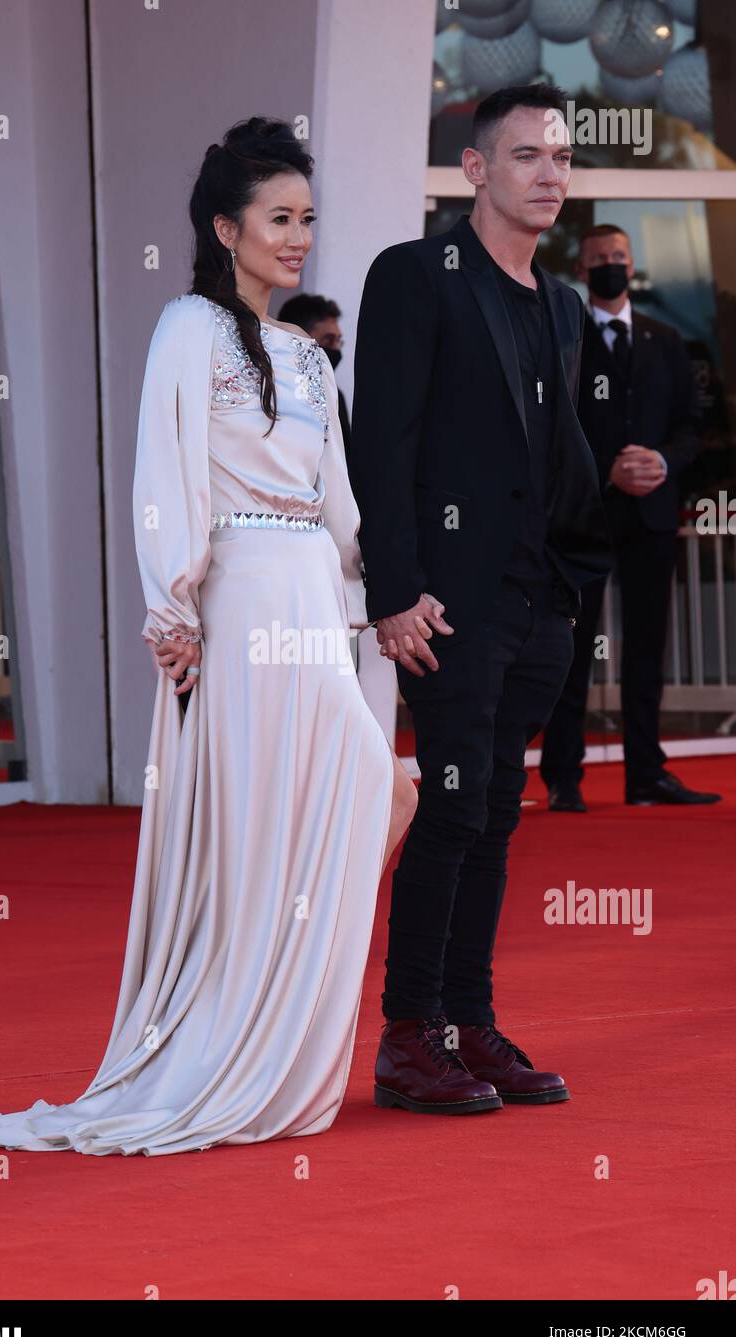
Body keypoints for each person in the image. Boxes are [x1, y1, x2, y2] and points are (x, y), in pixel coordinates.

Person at [0, 117, 418, 1157]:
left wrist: (398, 593)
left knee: (378, 784)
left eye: (308, 218)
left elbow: (343, 510)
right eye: (278, 218)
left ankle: (274, 1015)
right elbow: (160, 478)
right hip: (241, 601)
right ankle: (224, 1039)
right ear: (226, 227)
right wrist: (169, 611)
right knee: (268, 818)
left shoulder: (309, 356)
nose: (298, 236)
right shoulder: (186, 329)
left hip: (311, 600)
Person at [350, 84, 612, 1115]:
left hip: (533, 610)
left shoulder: (554, 304)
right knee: (453, 812)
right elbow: (382, 443)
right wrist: (394, 592)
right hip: (444, 610)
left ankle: (466, 1023)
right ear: (472, 171)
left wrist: (570, 589)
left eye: (558, 158)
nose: (548, 175)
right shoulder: (415, 277)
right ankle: (409, 1034)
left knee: (495, 816)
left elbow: (557, 457)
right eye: (524, 157)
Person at [540, 225, 720, 810]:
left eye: (619, 257)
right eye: (600, 260)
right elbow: (553, 428)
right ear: (584, 270)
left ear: (632, 263)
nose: (611, 266)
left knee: (648, 649)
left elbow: (693, 424)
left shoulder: (666, 340)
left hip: (653, 516)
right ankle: (563, 778)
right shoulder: (564, 339)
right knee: (574, 647)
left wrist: (661, 460)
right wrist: (604, 472)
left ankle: (647, 775)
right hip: (586, 517)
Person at [278, 293, 351, 455]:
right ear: (299, 339)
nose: (336, 349)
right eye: (327, 340)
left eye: (338, 340)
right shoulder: (274, 390)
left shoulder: (335, 395)